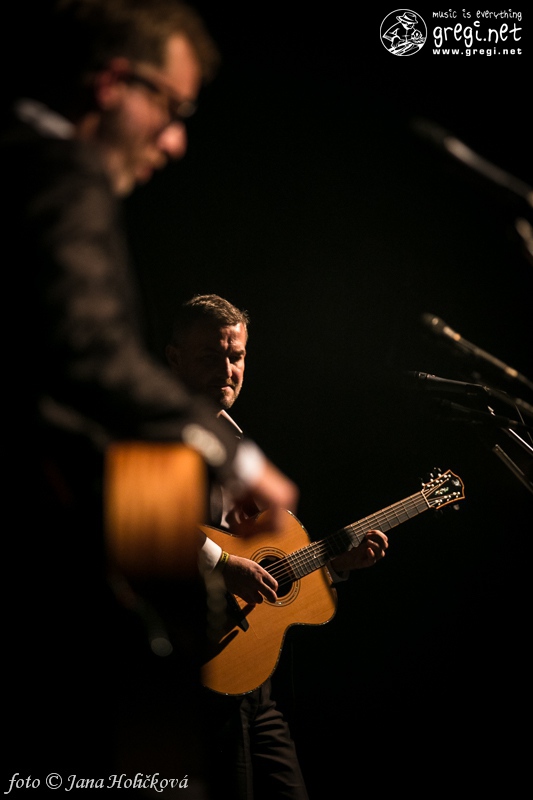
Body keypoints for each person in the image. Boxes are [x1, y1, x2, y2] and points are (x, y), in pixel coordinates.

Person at [2, 1, 297, 780]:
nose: (174, 141)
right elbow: (87, 351)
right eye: (171, 108)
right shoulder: (59, 171)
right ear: (111, 84)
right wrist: (235, 462)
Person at [166, 294, 389, 799]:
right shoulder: (155, 432)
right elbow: (146, 523)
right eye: (210, 356)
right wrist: (224, 565)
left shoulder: (236, 444)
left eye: (236, 356)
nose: (227, 369)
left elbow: (264, 568)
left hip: (252, 680)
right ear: (174, 358)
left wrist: (334, 565)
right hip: (195, 672)